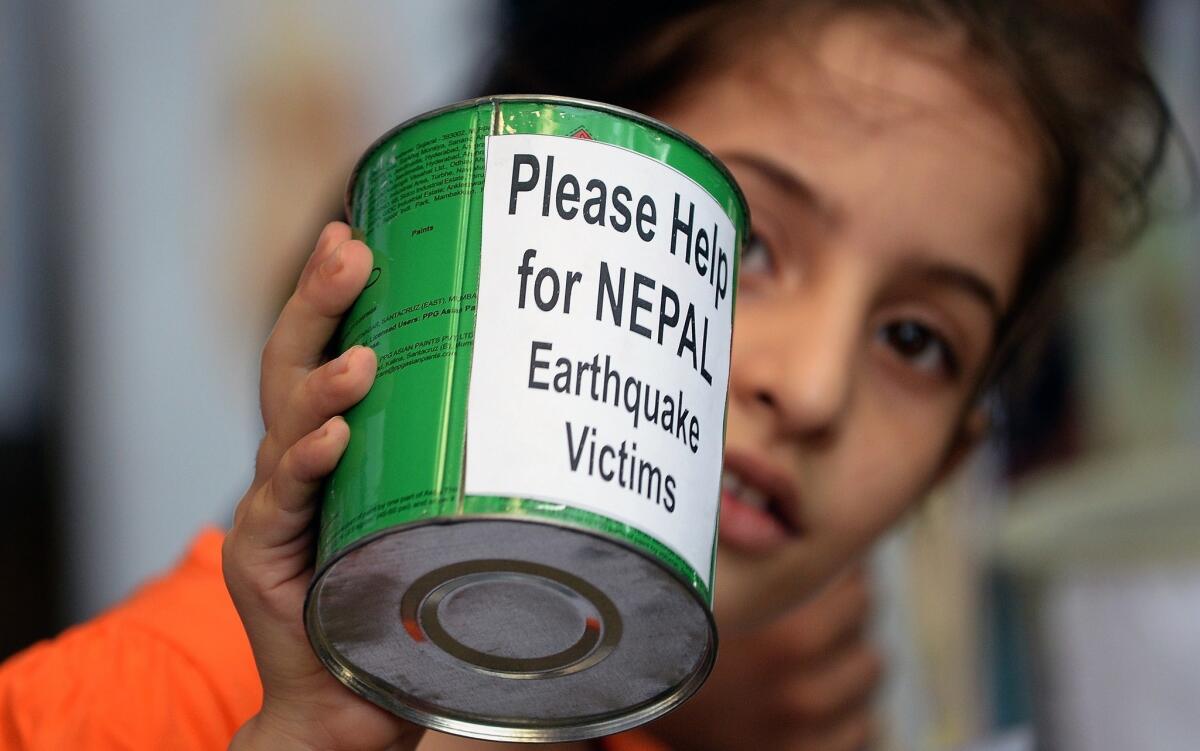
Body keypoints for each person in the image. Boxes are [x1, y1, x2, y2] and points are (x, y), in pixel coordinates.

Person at [0, 1, 1172, 749]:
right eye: (744, 245)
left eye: (916, 340)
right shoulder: (125, 710)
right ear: (490, 207)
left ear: (955, 456)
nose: (811, 387)